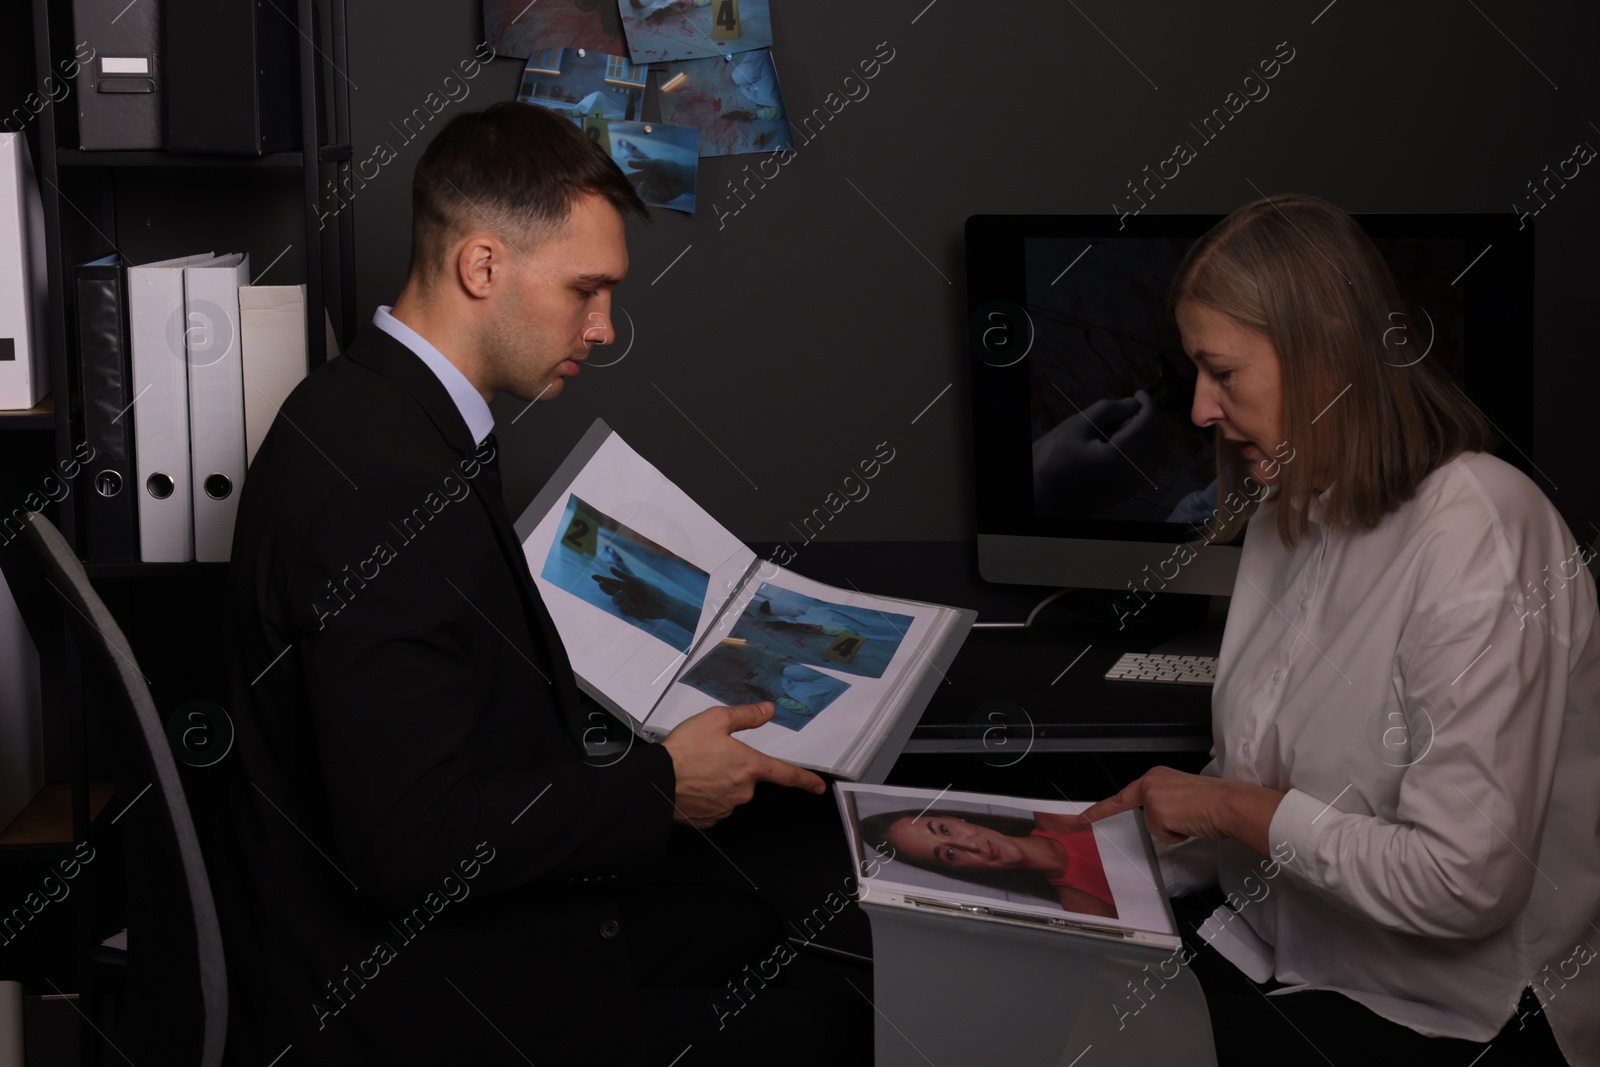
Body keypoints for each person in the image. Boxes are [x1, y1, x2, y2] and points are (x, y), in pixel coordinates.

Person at [215, 102, 866, 1065]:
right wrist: (659, 788)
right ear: (482, 266)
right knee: (825, 1010)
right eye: (586, 291)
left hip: (424, 935)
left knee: (773, 914)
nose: (604, 330)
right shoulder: (385, 479)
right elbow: (410, 846)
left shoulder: (375, 407)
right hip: (411, 998)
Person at [1073, 194, 1600, 1066]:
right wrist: (1101, 857)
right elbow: (1259, 790)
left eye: (1224, 373)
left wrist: (1223, 805)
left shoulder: (1480, 536)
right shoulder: (1292, 505)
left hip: (1456, 1012)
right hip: (1291, 949)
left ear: (1327, 358)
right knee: (1055, 990)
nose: (1201, 408)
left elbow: (1461, 883)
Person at [858, 808, 1116, 918]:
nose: (970, 845)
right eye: (949, 854)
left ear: (954, 818)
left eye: (945, 830)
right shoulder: (1085, 911)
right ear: (959, 871)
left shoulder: (1061, 815)